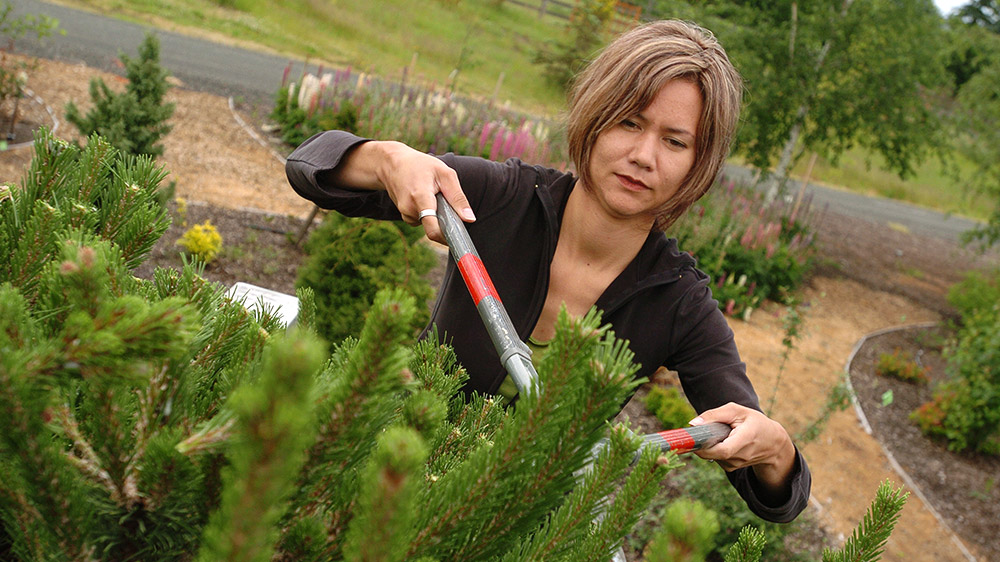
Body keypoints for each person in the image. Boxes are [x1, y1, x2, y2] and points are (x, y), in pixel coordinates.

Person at [285, 19, 810, 523]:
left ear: (699, 163)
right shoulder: (498, 198)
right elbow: (311, 166)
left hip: (518, 526)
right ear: (595, 116)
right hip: (389, 476)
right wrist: (387, 159)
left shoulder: (679, 302)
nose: (643, 156)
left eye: (675, 141)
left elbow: (774, 493)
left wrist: (775, 447)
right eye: (629, 121)